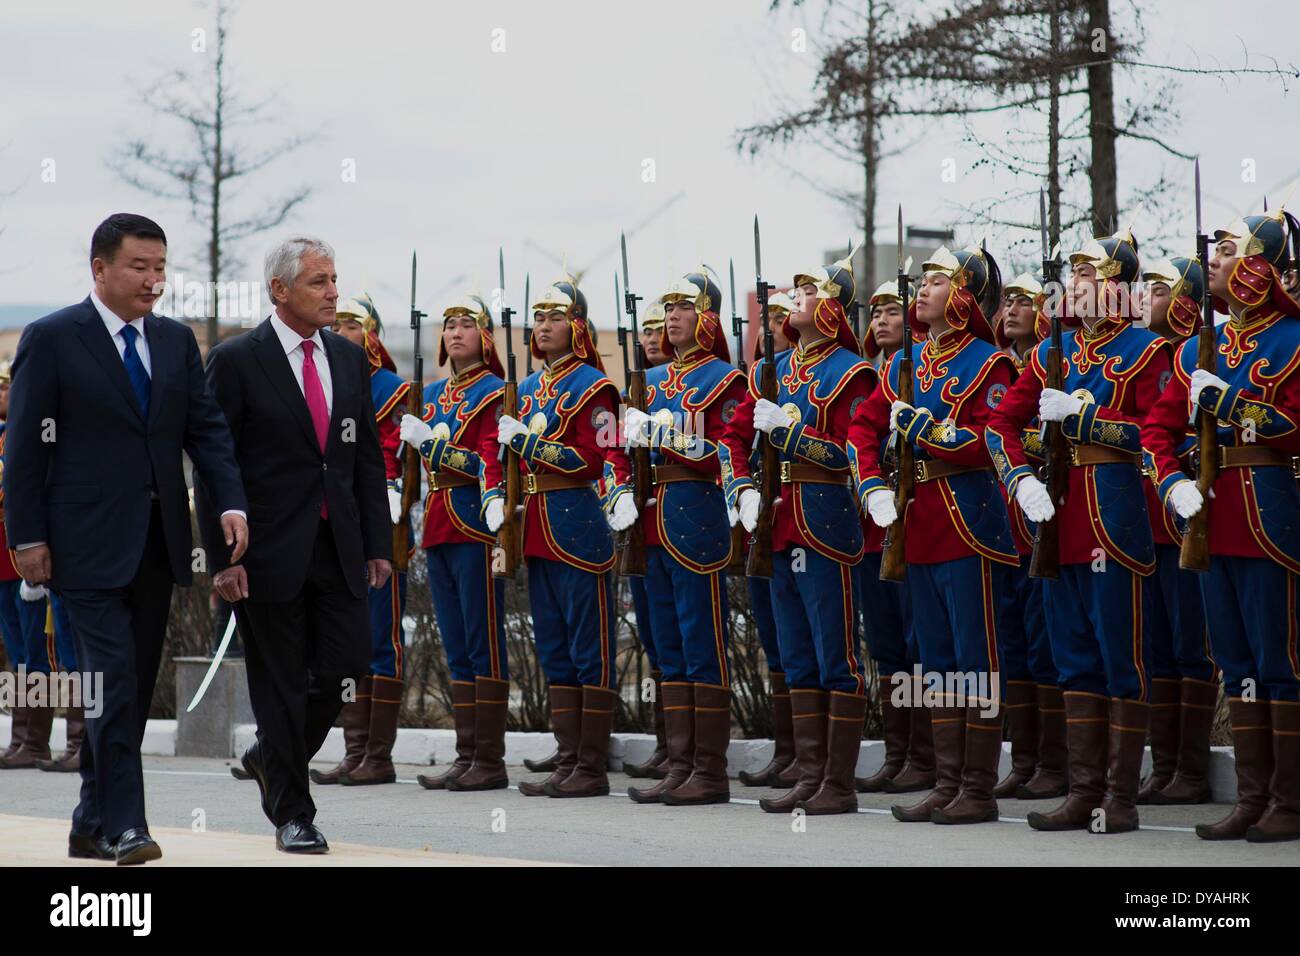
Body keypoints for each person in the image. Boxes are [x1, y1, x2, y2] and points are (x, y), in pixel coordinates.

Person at [5, 213, 247, 864]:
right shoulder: (53, 338)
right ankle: (127, 827)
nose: (153, 280)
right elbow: (25, 445)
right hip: (79, 545)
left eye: (161, 267)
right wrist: (24, 536)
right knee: (110, 681)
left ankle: (89, 820)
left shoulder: (174, 342)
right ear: (101, 269)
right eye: (139, 267)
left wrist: (230, 504)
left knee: (130, 690)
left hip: (157, 542)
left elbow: (208, 433)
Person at [196, 235, 391, 854]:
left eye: (335, 279)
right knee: (278, 682)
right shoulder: (235, 362)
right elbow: (212, 465)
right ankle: (293, 813)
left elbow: (362, 462)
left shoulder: (348, 359)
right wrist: (222, 561)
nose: (334, 292)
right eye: (319, 282)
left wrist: (379, 544)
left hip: (339, 546)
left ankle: (268, 753)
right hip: (264, 552)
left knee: (347, 667)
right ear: (279, 290)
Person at [987, 228, 1169, 834]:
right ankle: (1082, 789)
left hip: (1115, 518)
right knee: (1072, 659)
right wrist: (1019, 478)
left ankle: (1119, 797)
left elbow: (1157, 437)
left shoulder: (1150, 351)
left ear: (1117, 286)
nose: (1076, 283)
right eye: (1074, 272)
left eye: (1088, 273)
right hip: (1056, 519)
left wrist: (1086, 418)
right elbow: (998, 425)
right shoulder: (1047, 354)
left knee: (1120, 658)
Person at [1142, 207, 1300, 843]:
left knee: (1278, 659)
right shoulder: (1191, 349)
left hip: (1269, 511)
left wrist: (1233, 405)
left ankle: (1286, 802)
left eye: (1230, 249)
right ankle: (1253, 799)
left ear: (1259, 266)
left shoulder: (1292, 341)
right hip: (1207, 513)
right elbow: (1157, 429)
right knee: (1233, 659)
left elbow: (1293, 429)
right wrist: (1173, 478)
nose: (1215, 258)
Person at [849, 245, 1017, 826]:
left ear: (964, 295)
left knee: (976, 657)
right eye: (921, 281)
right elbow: (862, 427)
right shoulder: (903, 364)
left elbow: (991, 441)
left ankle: (977, 788)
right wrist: (870, 483)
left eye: (937, 281)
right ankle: (947, 783)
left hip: (969, 521)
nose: (921, 290)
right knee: (935, 659)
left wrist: (928, 430)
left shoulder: (989, 363)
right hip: (917, 522)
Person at [721, 252, 875, 816]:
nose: (797, 297)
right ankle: (810, 777)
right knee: (797, 656)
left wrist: (792, 434)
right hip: (778, 523)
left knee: (836, 657)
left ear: (832, 307)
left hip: (826, 520)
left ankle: (838, 784)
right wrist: (740, 488)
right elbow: (729, 440)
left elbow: (853, 455)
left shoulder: (852, 373)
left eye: (809, 290)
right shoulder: (772, 369)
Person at [492, 283, 629, 798]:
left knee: (588, 647)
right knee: (554, 648)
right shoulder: (525, 387)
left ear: (576, 326)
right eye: (538, 316)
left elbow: (591, 461)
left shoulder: (597, 388)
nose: (543, 325)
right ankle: (568, 759)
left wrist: (526, 440)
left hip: (576, 522)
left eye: (554, 316)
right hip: (535, 528)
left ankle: (590, 768)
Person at [623, 270, 746, 806]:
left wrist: (662, 435)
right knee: (668, 646)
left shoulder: (726, 379)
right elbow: (624, 458)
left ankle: (709, 772)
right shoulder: (648, 383)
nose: (671, 316)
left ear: (706, 317)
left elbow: (722, 454)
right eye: (666, 308)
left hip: (696, 517)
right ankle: (679, 764)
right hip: (651, 521)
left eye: (682, 307)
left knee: (701, 643)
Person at [399, 291, 510, 792]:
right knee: (456, 644)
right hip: (439, 523)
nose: (455, 332)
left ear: (484, 336)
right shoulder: (437, 392)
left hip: (474, 522)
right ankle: (467, 755)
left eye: (466, 324)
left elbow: (485, 462)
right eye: (449, 326)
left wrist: (433, 446)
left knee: (483, 640)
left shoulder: (493, 392)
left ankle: (488, 760)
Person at [305, 295, 409, 787]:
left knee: (382, 635)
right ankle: (353, 748)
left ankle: (378, 754)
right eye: (337, 323)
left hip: (382, 523)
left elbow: (391, 458)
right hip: (337, 528)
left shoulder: (392, 389)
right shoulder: (327, 381)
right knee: (347, 641)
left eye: (351, 324)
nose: (340, 331)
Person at [1134, 257, 1218, 806]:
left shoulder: (1187, 354)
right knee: (1157, 649)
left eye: (1162, 289)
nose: (1147, 296)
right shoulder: (1162, 356)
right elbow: (1152, 432)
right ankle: (1164, 770)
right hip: (1145, 520)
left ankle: (1189, 771)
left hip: (1187, 518)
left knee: (1192, 647)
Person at [852, 280, 934, 796]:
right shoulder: (875, 376)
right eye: (876, 312)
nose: (881, 320)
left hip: (914, 517)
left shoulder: (922, 365)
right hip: (872, 520)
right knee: (885, 643)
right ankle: (900, 753)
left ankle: (924, 757)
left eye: (892, 311)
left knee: (917, 639)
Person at [987, 275, 1066, 801]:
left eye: (1024, 301)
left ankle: (1055, 766)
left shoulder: (1049, 361)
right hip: (1003, 524)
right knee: (1012, 648)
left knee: (1046, 646)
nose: (1013, 308)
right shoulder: (1005, 369)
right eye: (1008, 300)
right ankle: (1028, 759)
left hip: (1044, 521)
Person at [735, 291, 803, 790]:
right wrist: (741, 488)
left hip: (804, 517)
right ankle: (789, 751)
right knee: (778, 644)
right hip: (762, 519)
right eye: (768, 317)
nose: (771, 325)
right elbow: (732, 441)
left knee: (808, 641)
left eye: (782, 316)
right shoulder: (758, 380)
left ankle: (812, 759)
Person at [611, 298, 670, 781]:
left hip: (683, 521)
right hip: (643, 523)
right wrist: (621, 492)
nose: (652, 338)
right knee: (655, 636)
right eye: (645, 331)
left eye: (658, 329)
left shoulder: (709, 381)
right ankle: (670, 745)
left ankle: (693, 758)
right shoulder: (637, 391)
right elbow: (617, 456)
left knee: (685, 636)